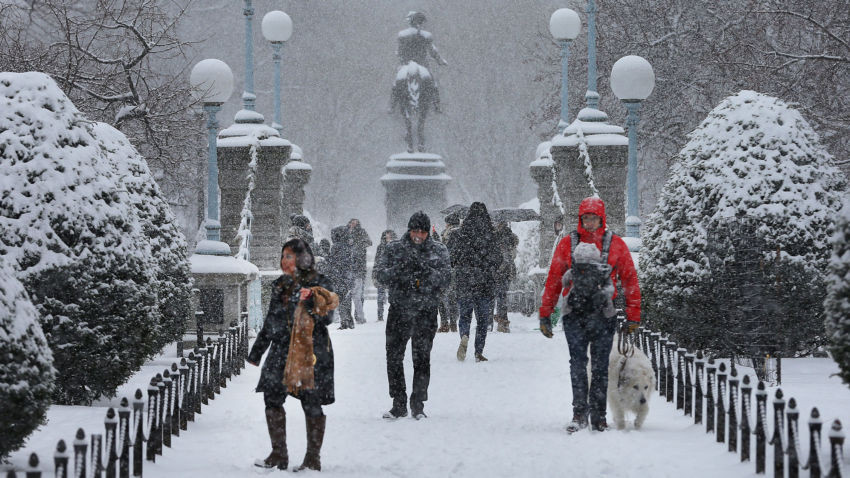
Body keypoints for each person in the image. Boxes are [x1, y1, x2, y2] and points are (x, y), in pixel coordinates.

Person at [538, 197, 641, 433]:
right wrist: (546, 313)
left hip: (602, 314)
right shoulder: (577, 244)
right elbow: (553, 279)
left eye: (593, 218)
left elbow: (629, 280)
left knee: (601, 366)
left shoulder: (611, 244)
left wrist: (634, 314)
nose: (590, 222)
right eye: (586, 218)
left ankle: (598, 415)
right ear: (580, 218)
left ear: (601, 218)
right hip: (576, 315)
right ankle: (579, 412)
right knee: (578, 364)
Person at [248, 238, 336, 471]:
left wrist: (309, 301)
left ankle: (312, 458)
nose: (284, 260)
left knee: (311, 400)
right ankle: (279, 453)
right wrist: (257, 352)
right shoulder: (280, 284)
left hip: (311, 351)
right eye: (283, 256)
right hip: (280, 350)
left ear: (302, 258)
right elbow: (271, 320)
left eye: (289, 256)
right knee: (272, 396)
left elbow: (328, 318)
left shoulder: (320, 282)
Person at [376, 211, 451, 419]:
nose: (418, 235)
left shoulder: (439, 250)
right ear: (409, 230)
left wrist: (426, 271)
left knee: (422, 358)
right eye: (415, 231)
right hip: (399, 311)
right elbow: (379, 275)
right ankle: (398, 403)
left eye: (423, 232)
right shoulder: (394, 249)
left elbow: (446, 279)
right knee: (394, 357)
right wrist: (401, 269)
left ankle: (418, 404)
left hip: (425, 311)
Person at [448, 202, 501, 362]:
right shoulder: (490, 234)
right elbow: (498, 259)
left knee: (464, 315)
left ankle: (464, 334)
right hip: (484, 282)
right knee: (483, 320)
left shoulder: (459, 234)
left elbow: (451, 258)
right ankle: (478, 351)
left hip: (464, 281)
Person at [492, 220, 519, 333]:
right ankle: (503, 321)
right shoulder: (511, 236)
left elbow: (505, 256)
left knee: (499, 296)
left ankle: (501, 321)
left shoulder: (498, 236)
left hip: (500, 271)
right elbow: (511, 255)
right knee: (502, 296)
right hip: (508, 272)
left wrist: (497, 270)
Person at [437, 215, 461, 333]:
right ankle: (452, 323)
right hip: (457, 269)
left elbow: (447, 251)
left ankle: (445, 323)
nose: (445, 225)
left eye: (446, 223)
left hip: (448, 268)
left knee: (442, 295)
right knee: (453, 297)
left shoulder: (451, 234)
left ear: (450, 224)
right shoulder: (462, 234)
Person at [328, 225, 355, 329]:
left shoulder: (337, 246)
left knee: (341, 299)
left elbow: (334, 262)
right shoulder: (347, 245)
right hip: (347, 276)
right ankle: (349, 321)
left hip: (340, 276)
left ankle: (345, 322)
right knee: (347, 299)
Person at [347, 219, 372, 324]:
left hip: (359, 267)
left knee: (359, 295)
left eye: (355, 222)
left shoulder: (362, 232)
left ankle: (358, 316)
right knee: (348, 295)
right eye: (352, 222)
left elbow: (369, 242)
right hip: (348, 267)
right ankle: (348, 316)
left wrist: (357, 243)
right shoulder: (345, 232)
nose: (353, 224)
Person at [373, 229, 397, 322]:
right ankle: (380, 316)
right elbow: (377, 260)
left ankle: (394, 315)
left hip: (392, 274)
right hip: (382, 273)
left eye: (389, 235)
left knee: (393, 296)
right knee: (380, 296)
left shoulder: (397, 246)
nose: (388, 237)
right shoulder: (380, 247)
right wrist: (375, 273)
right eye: (386, 236)